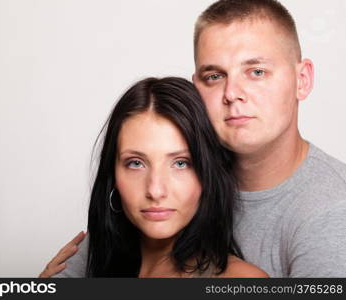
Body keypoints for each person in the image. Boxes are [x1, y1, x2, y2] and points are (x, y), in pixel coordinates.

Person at [40, 0, 346, 278]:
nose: (231, 94)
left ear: (302, 80)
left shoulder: (331, 213)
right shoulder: (168, 186)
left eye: (256, 72)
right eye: (215, 76)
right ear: (195, 87)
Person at [41, 77, 268, 278]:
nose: (155, 190)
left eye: (180, 163)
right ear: (114, 176)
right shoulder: (89, 261)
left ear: (208, 174)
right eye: (136, 163)